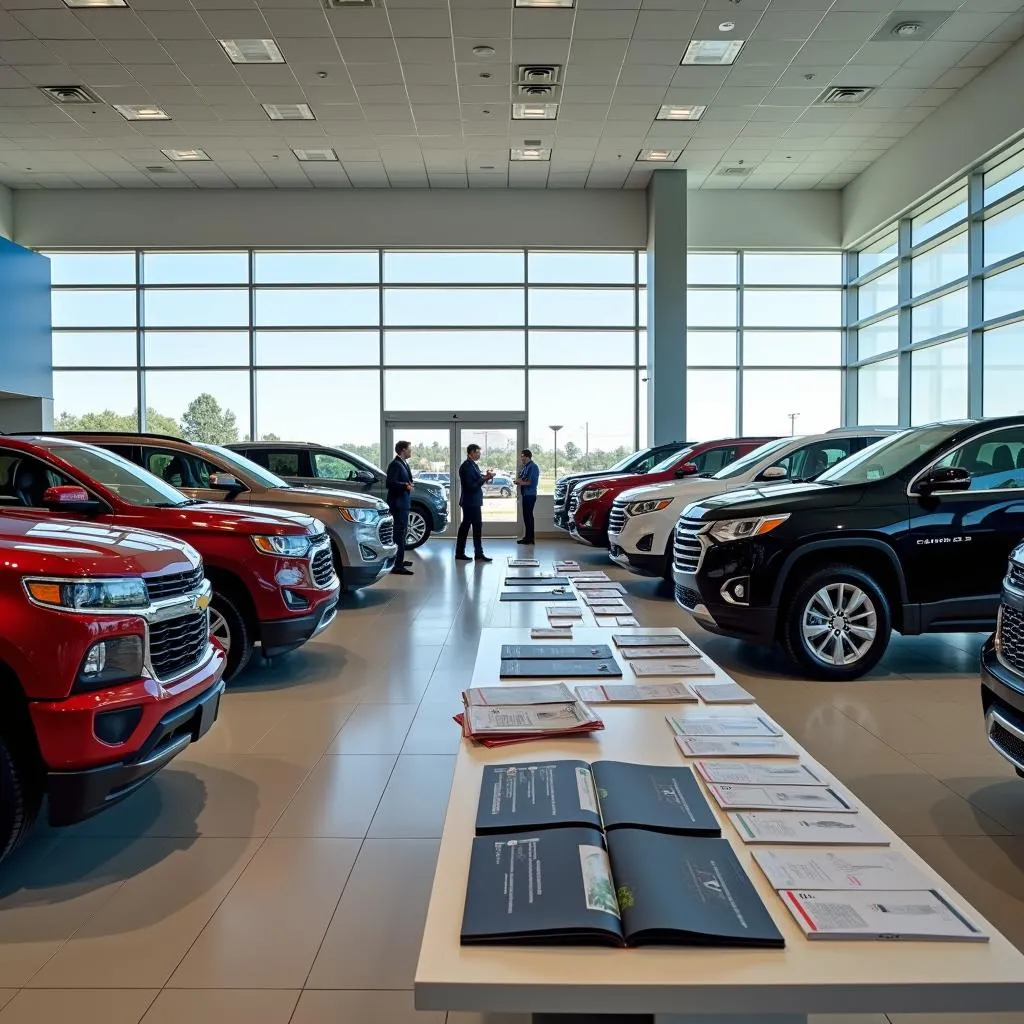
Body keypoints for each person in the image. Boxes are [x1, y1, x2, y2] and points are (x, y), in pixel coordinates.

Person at [456, 443, 494, 562]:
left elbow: (478, 479)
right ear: (471, 452)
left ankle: (469, 553)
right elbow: (471, 486)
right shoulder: (466, 467)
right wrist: (485, 478)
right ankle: (473, 553)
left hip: (473, 502)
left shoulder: (473, 465)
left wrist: (486, 476)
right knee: (471, 527)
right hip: (470, 502)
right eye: (477, 452)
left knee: (472, 526)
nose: (479, 454)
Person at [385, 440, 415, 576]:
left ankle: (399, 560)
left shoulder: (403, 463)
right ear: (403, 450)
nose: (411, 451)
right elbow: (390, 483)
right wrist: (405, 486)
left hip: (403, 503)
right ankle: (397, 565)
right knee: (398, 534)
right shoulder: (395, 465)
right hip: (398, 505)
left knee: (401, 533)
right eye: (409, 449)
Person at [515, 448, 540, 545]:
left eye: (522, 456)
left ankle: (530, 539)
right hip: (525, 494)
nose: (521, 458)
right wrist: (519, 481)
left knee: (529, 516)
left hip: (530, 495)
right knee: (526, 516)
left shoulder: (533, 467)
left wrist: (519, 482)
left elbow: (529, 482)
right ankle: (527, 537)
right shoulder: (526, 467)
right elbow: (523, 478)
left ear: (527, 456)